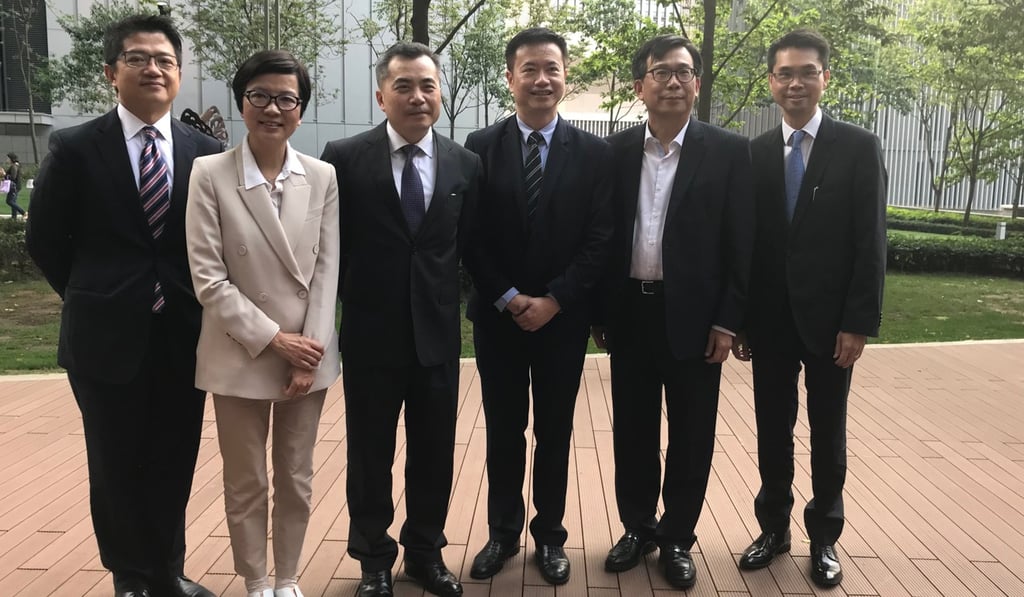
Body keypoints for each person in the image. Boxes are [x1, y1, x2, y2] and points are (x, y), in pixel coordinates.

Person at [25, 14, 221, 597]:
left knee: (173, 458)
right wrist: (95, 295)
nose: (153, 69)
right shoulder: (76, 147)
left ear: (179, 73)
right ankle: (130, 577)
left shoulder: (206, 152)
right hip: (104, 337)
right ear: (112, 72)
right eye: (138, 58)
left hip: (184, 334)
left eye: (164, 60)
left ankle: (168, 570)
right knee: (115, 461)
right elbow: (45, 240)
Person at [591, 34, 754, 589]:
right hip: (629, 314)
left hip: (697, 320)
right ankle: (637, 528)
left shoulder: (729, 152)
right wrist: (599, 313)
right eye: (661, 72)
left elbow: (741, 243)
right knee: (633, 430)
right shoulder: (613, 152)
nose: (673, 82)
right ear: (640, 86)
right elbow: (602, 236)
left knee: (691, 433)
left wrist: (728, 320)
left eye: (684, 72)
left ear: (697, 84)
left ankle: (677, 538)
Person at [319, 42, 480, 597]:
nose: (417, 96)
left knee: (434, 453)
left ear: (440, 94)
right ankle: (373, 560)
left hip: (437, 336)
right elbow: (330, 247)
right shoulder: (343, 158)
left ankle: (425, 555)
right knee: (370, 454)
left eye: (427, 85)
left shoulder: (464, 164)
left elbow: (467, 247)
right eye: (404, 86)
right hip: (371, 335)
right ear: (381, 95)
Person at [732, 29, 887, 587]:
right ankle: (773, 528)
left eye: (806, 72)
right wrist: (742, 320)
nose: (795, 83)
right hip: (770, 323)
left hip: (831, 325)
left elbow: (871, 241)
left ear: (825, 77)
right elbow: (746, 244)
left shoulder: (858, 146)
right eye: (784, 73)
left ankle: (824, 536)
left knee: (828, 432)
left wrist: (858, 322)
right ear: (771, 82)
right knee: (772, 430)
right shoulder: (753, 153)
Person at [184, 50, 340, 597]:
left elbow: (326, 272)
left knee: (296, 476)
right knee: (246, 479)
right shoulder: (209, 174)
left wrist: (308, 352)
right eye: (260, 96)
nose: (273, 108)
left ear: (301, 109)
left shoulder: (321, 176)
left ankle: (288, 577)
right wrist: (276, 341)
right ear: (242, 101)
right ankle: (255, 580)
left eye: (286, 99)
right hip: (240, 351)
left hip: (307, 359)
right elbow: (209, 279)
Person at [461, 27, 613, 586]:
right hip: (498, 318)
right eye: (530, 69)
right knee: (503, 430)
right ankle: (502, 533)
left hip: (562, 321)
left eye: (552, 68)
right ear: (511, 78)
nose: (542, 79)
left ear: (565, 75)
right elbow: (471, 236)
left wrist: (554, 299)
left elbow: (600, 239)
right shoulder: (479, 146)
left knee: (554, 430)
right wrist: (507, 296)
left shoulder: (594, 153)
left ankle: (550, 535)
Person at [5, 152, 26, 219]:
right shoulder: (16, 165)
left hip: (14, 187)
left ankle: (24, 213)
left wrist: (5, 175)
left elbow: (13, 177)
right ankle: (14, 218)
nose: (7, 159)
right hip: (16, 186)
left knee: (9, 201)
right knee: (13, 201)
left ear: (11, 159)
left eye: (8, 158)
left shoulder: (14, 166)